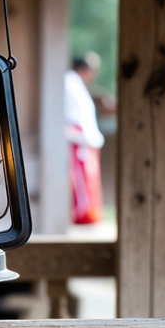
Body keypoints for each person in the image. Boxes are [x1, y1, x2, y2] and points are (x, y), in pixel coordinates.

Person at [65, 52, 105, 225]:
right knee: (81, 177)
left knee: (88, 176)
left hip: (85, 138)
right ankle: (83, 213)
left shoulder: (75, 84)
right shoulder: (70, 82)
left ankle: (89, 212)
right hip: (78, 137)